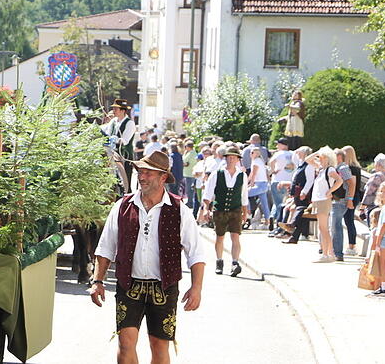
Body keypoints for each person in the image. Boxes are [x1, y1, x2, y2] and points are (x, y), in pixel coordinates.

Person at [89, 151, 204, 364]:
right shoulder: (123, 206)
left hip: (164, 287)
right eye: (140, 172)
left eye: (148, 173)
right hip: (129, 284)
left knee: (159, 347)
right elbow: (105, 247)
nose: (142, 177)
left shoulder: (179, 210)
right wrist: (98, 281)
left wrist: (196, 288)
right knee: (125, 344)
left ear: (163, 178)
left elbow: (196, 252)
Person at [202, 145, 248, 277]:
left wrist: (245, 212)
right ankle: (219, 261)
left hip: (235, 209)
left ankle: (235, 262)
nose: (231, 160)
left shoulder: (242, 175)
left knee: (235, 236)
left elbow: (243, 195)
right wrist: (206, 209)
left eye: (233, 158)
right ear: (226, 159)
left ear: (238, 160)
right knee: (220, 237)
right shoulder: (217, 174)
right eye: (229, 158)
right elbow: (208, 193)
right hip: (220, 210)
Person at [303, 147, 343, 263]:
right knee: (323, 228)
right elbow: (308, 159)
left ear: (327, 158)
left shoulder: (329, 169)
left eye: (321, 157)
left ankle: (326, 254)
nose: (319, 159)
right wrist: (318, 152)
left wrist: (330, 191)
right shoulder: (322, 169)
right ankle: (330, 253)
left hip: (323, 200)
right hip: (319, 199)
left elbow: (339, 180)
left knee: (323, 228)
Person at [283, 146, 315, 244]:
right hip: (297, 192)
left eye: (300, 152)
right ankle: (294, 236)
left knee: (300, 211)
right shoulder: (301, 164)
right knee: (301, 214)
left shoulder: (309, 166)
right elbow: (294, 158)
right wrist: (296, 152)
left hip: (303, 192)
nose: (298, 154)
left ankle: (293, 225)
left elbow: (310, 180)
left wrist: (304, 192)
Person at [101, 99, 136, 187]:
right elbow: (108, 133)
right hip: (111, 150)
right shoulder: (113, 121)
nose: (113, 111)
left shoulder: (130, 123)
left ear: (123, 111)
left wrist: (115, 139)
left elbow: (125, 141)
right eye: (113, 109)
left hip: (124, 154)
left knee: (126, 180)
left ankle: (124, 189)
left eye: (116, 109)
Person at [331, 148, 356, 261]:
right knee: (335, 226)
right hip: (337, 200)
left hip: (341, 200)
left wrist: (350, 199)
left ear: (339, 157)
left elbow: (351, 183)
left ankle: (338, 253)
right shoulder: (338, 168)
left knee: (336, 226)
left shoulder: (343, 168)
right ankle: (336, 252)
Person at [268, 138, 295, 236]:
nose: (277, 146)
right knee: (285, 204)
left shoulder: (278, 154)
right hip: (289, 181)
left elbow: (271, 161)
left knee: (279, 204)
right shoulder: (293, 154)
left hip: (278, 180)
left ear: (282, 145)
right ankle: (281, 223)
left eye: (278, 144)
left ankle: (278, 225)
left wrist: (272, 171)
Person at [362, 154, 385, 224]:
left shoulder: (377, 177)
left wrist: (362, 207)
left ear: (379, 165)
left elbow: (369, 192)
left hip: (374, 206)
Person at [245, 148, 271, 230]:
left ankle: (248, 212)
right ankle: (268, 222)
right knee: (264, 204)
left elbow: (253, 174)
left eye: (252, 153)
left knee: (245, 194)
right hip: (263, 183)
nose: (251, 154)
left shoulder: (256, 161)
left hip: (259, 184)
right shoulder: (260, 161)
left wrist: (250, 183)